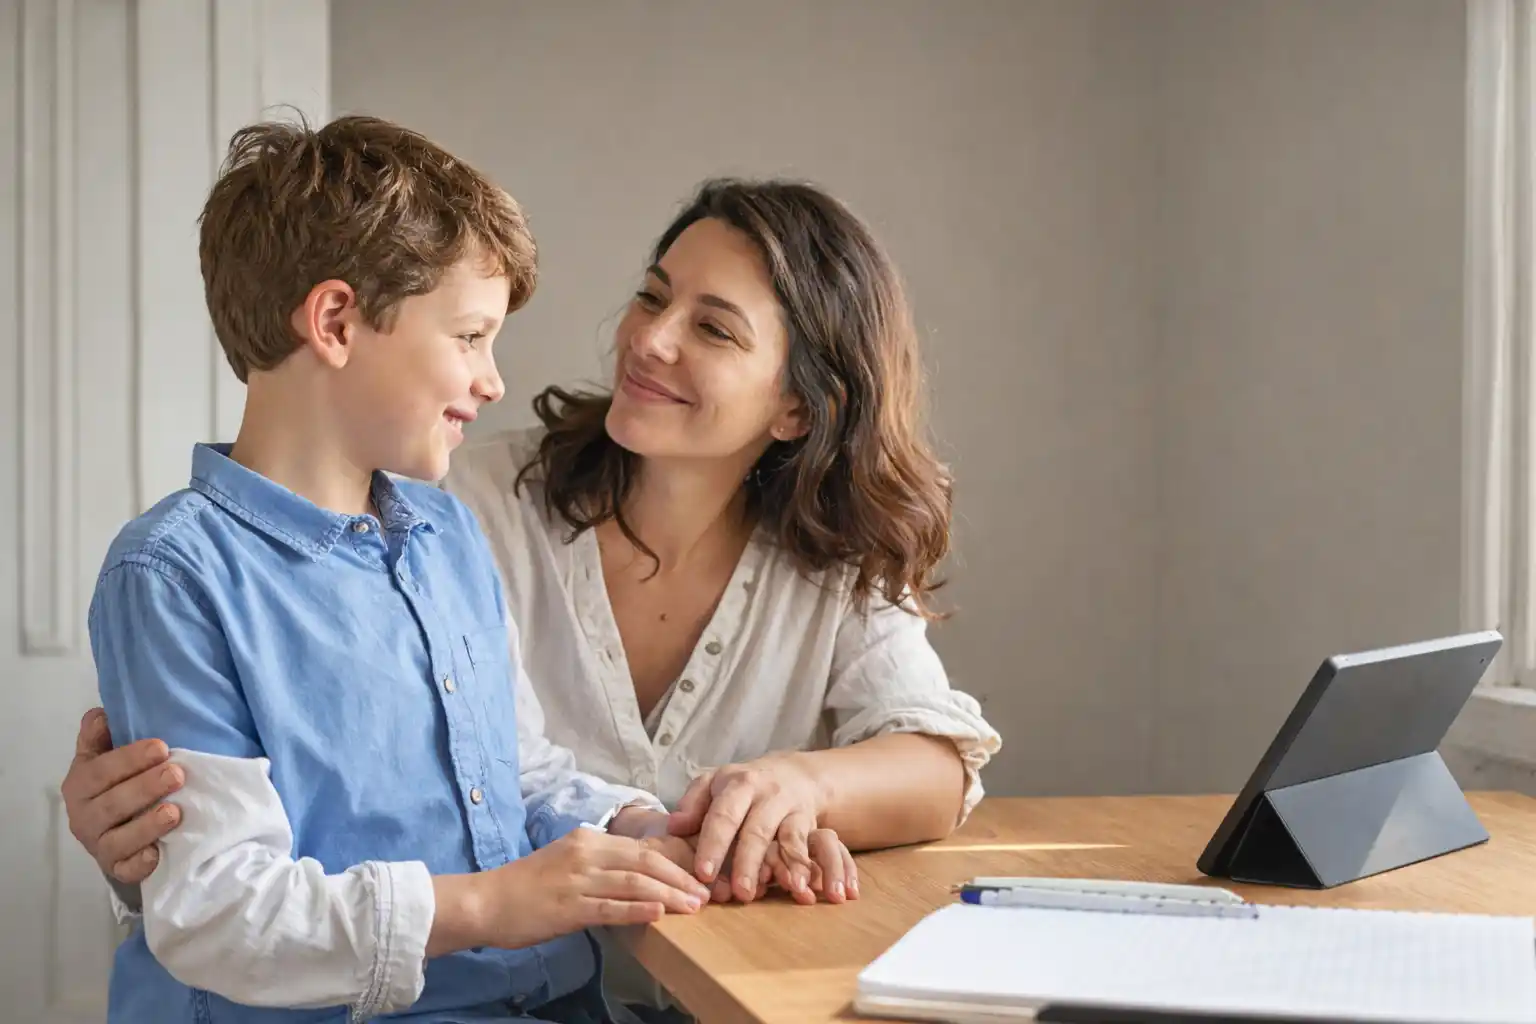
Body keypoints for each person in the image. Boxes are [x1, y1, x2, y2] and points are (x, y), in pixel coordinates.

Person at [66, 174, 1002, 1014]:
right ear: (338, 323)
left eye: (713, 327)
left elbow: (517, 772)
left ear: (798, 406)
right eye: (651, 296)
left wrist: (720, 816)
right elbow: (219, 892)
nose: (649, 339)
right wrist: (158, 852)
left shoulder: (438, 536)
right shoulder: (454, 497)